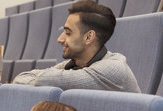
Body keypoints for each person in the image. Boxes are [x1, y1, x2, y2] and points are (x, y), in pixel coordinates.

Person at [13, 0, 141, 93]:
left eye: (68, 33)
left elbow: (42, 79)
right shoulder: (74, 64)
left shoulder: (112, 69)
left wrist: (39, 78)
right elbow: (20, 79)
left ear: (89, 37)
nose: (59, 39)